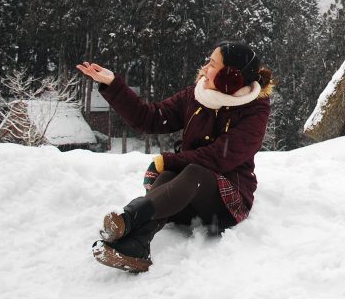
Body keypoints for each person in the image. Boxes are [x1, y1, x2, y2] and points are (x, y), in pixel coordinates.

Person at [76, 42, 274, 273]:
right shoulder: (195, 96)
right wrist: (113, 85)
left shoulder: (255, 109)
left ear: (229, 76)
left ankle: (130, 218)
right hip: (183, 196)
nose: (205, 68)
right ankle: (137, 245)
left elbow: (220, 157)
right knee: (171, 175)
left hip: (225, 204)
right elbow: (150, 118)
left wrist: (169, 159)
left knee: (191, 171)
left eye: (212, 64)